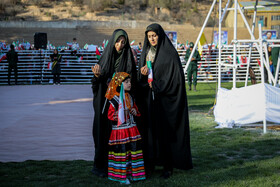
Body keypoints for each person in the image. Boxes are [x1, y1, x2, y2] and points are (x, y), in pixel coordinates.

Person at [137, 23, 193, 179]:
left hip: (165, 101)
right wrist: (143, 74)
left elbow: (173, 79)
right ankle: (151, 163)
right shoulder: (146, 52)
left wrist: (155, 84)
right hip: (150, 101)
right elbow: (142, 77)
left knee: (165, 134)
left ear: (160, 35)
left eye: (154, 35)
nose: (152, 38)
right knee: (150, 133)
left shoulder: (169, 53)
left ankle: (168, 166)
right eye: (149, 36)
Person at [91, 29, 137, 178]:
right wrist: (98, 76)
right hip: (105, 103)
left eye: (123, 42)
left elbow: (131, 78)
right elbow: (96, 82)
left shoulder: (127, 57)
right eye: (118, 41)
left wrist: (117, 82)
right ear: (113, 42)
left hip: (121, 104)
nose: (120, 45)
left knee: (119, 135)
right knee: (102, 132)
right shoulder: (105, 58)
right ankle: (101, 166)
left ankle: (120, 166)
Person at [105, 72, 145, 184]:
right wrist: (120, 113)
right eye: (126, 82)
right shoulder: (114, 99)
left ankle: (132, 174)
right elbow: (110, 115)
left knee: (132, 152)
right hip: (120, 132)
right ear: (119, 84)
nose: (129, 84)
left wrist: (134, 111)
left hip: (131, 129)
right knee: (122, 153)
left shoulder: (130, 97)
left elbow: (136, 110)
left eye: (130, 82)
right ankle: (121, 176)